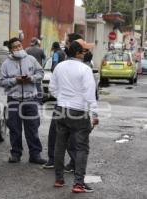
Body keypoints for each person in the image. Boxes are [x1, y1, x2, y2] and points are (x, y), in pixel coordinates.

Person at [49, 39, 99, 193]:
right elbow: (90, 93)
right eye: (84, 51)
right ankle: (78, 183)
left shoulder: (59, 67)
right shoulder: (84, 69)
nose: (86, 54)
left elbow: (52, 88)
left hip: (60, 109)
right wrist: (95, 113)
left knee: (60, 145)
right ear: (78, 53)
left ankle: (59, 179)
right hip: (78, 111)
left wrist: (63, 99)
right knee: (81, 148)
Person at [0, 37, 46, 164]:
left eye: (19, 45)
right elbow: (1, 82)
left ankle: (35, 155)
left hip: (30, 99)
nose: (18, 48)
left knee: (32, 128)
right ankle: (16, 153)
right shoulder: (6, 64)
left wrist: (32, 78)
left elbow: (41, 73)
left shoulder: (31, 59)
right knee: (14, 128)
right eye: (15, 47)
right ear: (11, 50)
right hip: (14, 100)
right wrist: (15, 80)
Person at [42, 33, 83, 170]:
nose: (65, 43)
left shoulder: (80, 59)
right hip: (63, 103)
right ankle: (54, 159)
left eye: (66, 42)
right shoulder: (62, 55)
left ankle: (72, 162)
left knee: (72, 134)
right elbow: (54, 80)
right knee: (57, 132)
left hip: (74, 105)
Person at [26, 37, 46, 104]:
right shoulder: (40, 50)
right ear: (37, 43)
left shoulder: (26, 50)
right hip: (37, 69)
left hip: (28, 69)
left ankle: (29, 98)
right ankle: (39, 100)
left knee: (29, 84)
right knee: (38, 85)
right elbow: (44, 58)